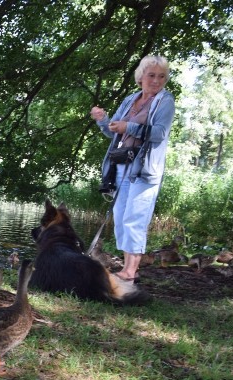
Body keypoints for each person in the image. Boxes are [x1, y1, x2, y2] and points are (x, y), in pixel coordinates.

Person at [90, 55, 175, 282]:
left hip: (144, 169)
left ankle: (130, 271)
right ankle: (127, 267)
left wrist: (130, 126)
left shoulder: (165, 101)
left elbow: (159, 133)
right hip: (121, 165)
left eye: (161, 76)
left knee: (135, 217)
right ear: (141, 77)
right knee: (120, 217)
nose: (156, 80)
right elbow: (113, 131)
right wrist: (103, 119)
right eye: (151, 75)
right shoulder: (130, 100)